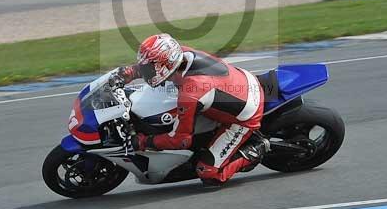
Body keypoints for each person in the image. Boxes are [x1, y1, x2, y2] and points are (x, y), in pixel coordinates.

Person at [109, 33, 269, 188]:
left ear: (165, 65)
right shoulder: (180, 54)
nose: (146, 71)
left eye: (149, 68)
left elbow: (181, 140)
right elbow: (152, 64)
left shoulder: (190, 92)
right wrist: (127, 73)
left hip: (245, 116)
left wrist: (144, 141)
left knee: (208, 172)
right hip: (238, 82)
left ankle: (256, 148)